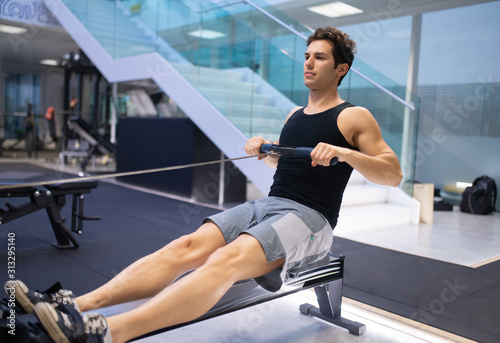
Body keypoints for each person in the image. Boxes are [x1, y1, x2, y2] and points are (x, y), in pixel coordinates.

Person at [6, 27, 402, 343]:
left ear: (341, 69)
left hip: (311, 219)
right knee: (186, 246)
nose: (309, 63)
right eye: (307, 56)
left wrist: (346, 153)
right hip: (270, 204)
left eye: (320, 57)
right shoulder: (295, 113)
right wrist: (267, 150)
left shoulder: (354, 116)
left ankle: (110, 332)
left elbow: (392, 172)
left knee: (223, 262)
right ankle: (74, 306)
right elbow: (296, 162)